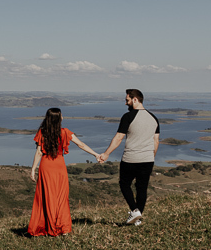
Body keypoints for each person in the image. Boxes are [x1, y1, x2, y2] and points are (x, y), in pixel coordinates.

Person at [27, 107, 99, 237]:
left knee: (47, 197)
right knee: (61, 197)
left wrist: (33, 169)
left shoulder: (42, 132)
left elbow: (39, 152)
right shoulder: (65, 132)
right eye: (61, 115)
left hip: (46, 166)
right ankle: (63, 228)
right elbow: (81, 145)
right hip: (59, 166)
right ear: (58, 118)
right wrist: (96, 154)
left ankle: (48, 227)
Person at [98, 88, 160, 226]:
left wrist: (106, 153)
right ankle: (137, 218)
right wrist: (151, 156)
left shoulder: (128, 117)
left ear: (135, 99)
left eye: (127, 100)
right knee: (141, 188)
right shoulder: (153, 118)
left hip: (131, 159)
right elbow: (156, 141)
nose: (126, 103)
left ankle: (134, 210)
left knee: (124, 184)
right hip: (148, 159)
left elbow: (119, 137)